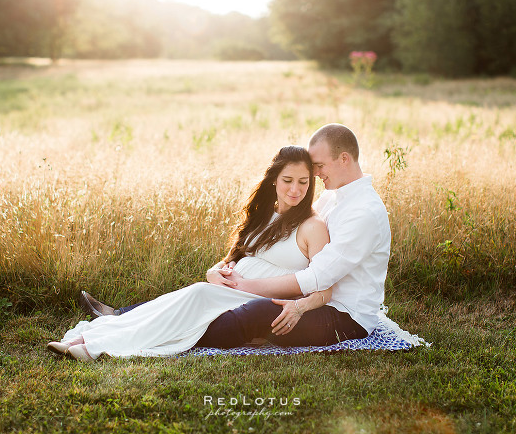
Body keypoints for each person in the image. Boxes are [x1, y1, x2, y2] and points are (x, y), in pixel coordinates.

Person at [79, 123, 391, 352]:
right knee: (202, 294)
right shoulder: (333, 198)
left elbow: (319, 276)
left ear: (345, 159)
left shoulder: (363, 212)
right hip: (316, 300)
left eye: (319, 166)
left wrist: (249, 288)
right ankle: (126, 318)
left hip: (342, 316)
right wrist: (228, 275)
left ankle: (159, 334)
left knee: (255, 313)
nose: (316, 174)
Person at [47, 145, 332, 360]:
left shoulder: (312, 226)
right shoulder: (264, 215)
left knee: (193, 296)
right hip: (229, 292)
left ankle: (96, 346)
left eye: (303, 182)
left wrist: (299, 307)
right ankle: (90, 337)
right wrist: (213, 271)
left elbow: (323, 288)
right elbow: (234, 257)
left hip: (255, 299)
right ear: (274, 180)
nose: (295, 189)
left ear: (311, 184)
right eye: (288, 180)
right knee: (185, 300)